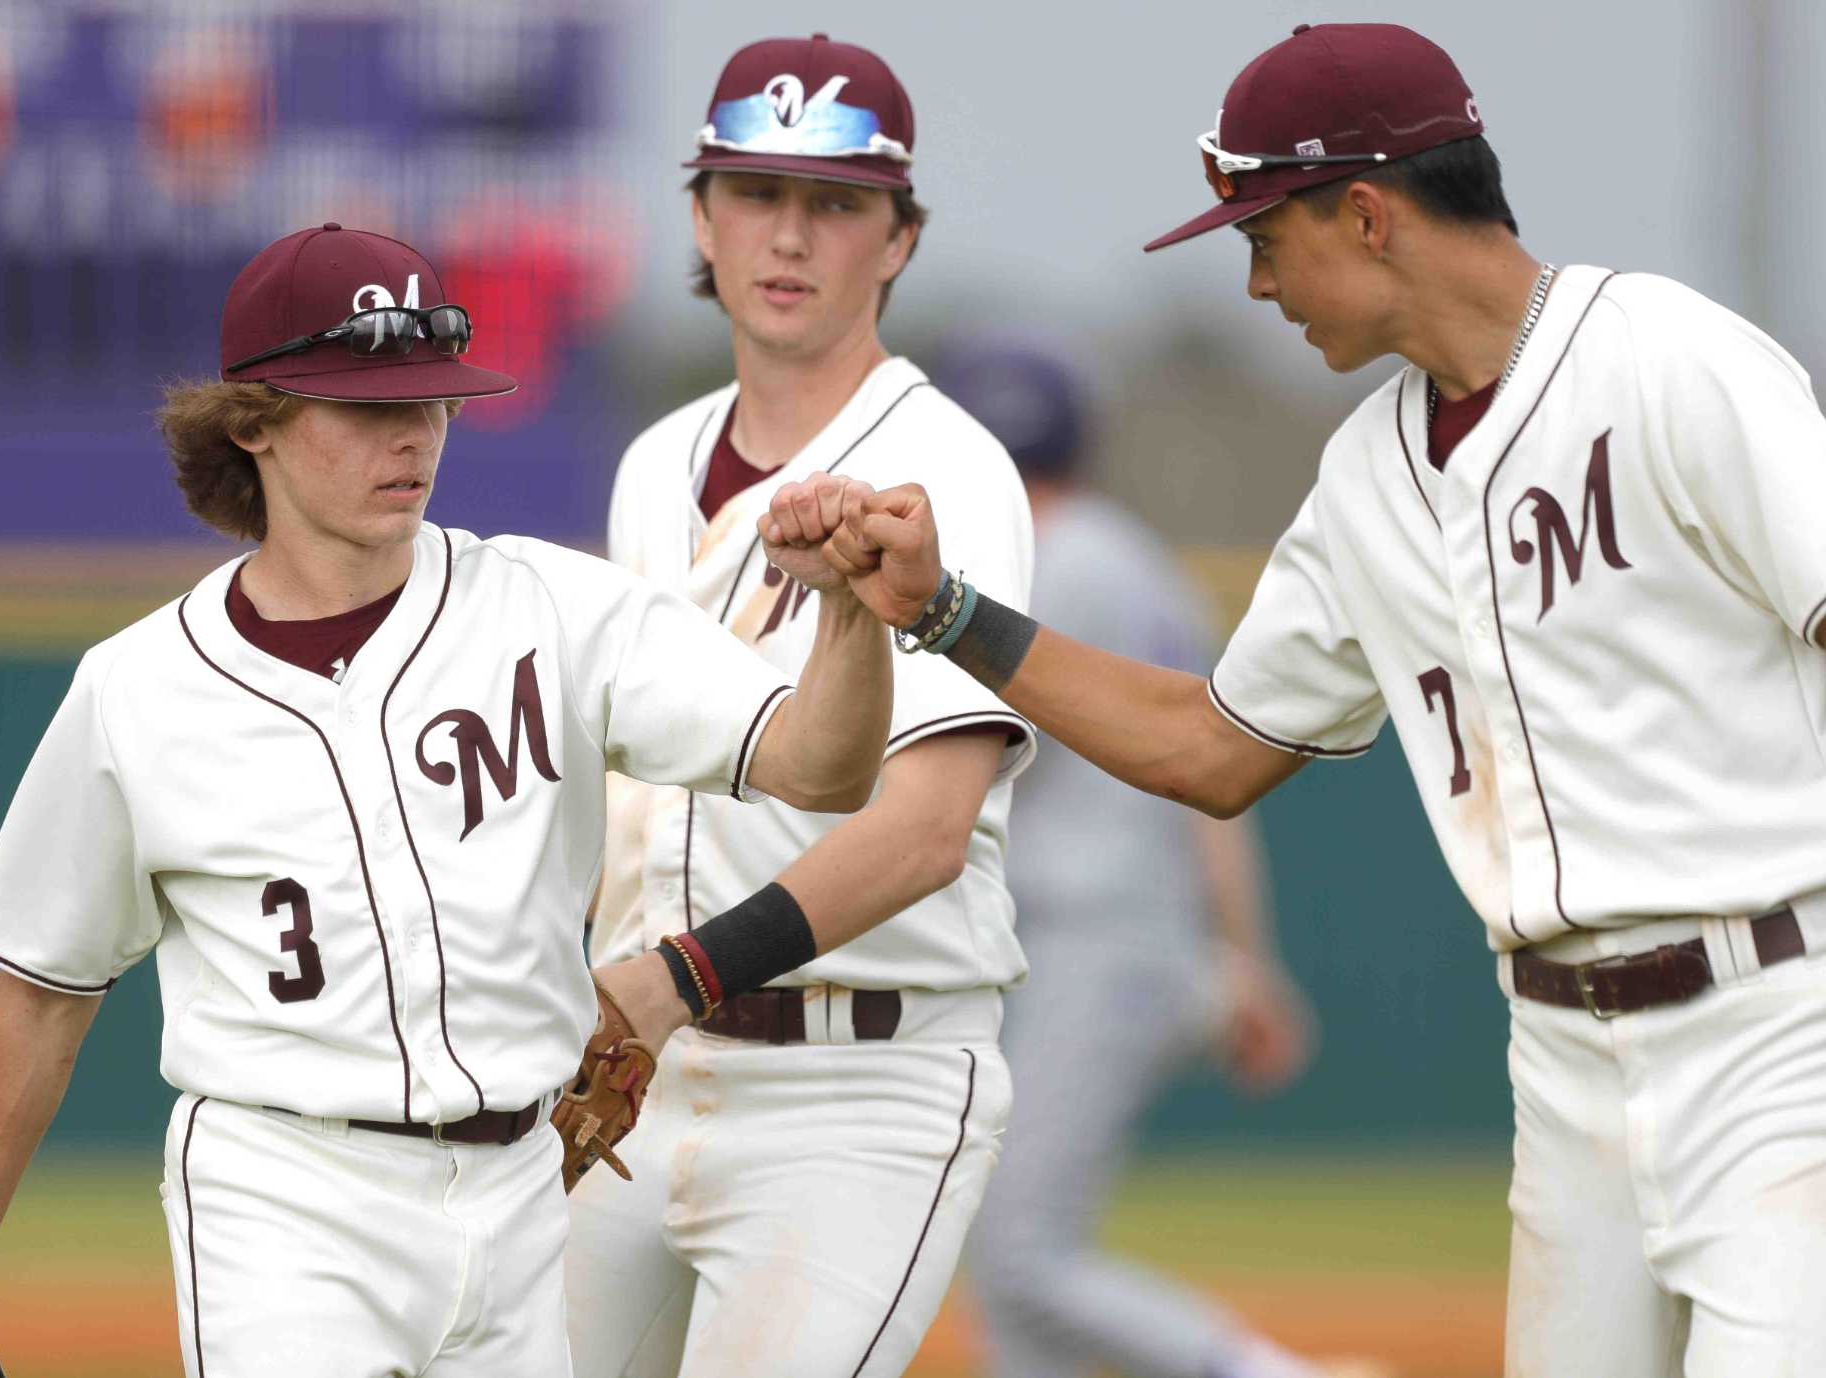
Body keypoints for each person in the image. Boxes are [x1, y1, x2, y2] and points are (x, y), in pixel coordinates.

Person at [772, 23, 1826, 1378]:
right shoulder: (1370, 476)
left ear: (1370, 213)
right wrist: (943, 611)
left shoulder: (1665, 359)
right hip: (1565, 1064)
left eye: (1266, 237)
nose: (1261, 283)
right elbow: (1206, 746)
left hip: (1777, 1023)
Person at [0, 222, 899, 1378]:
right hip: (284, 1194)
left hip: (521, 1188)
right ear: (250, 421)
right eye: (364, 406)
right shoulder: (137, 688)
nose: (413, 432)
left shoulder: (547, 605)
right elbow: (46, 987)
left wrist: (850, 613)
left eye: (432, 399)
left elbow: (822, 766)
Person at [563, 34, 1034, 1378]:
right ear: (701, 219)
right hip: (637, 1064)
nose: (790, 234)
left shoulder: (947, 466)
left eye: (835, 203)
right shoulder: (658, 461)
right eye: (757, 193)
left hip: (857, 1085)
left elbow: (928, 828)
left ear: (898, 240)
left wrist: (681, 973)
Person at [936, 344, 1340, 1378]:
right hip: (1127, 932)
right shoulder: (1133, 557)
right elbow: (1209, 794)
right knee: (1012, 1268)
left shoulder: (1038, 562)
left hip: (1088, 939)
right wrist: (1242, 955)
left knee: (1021, 1255)